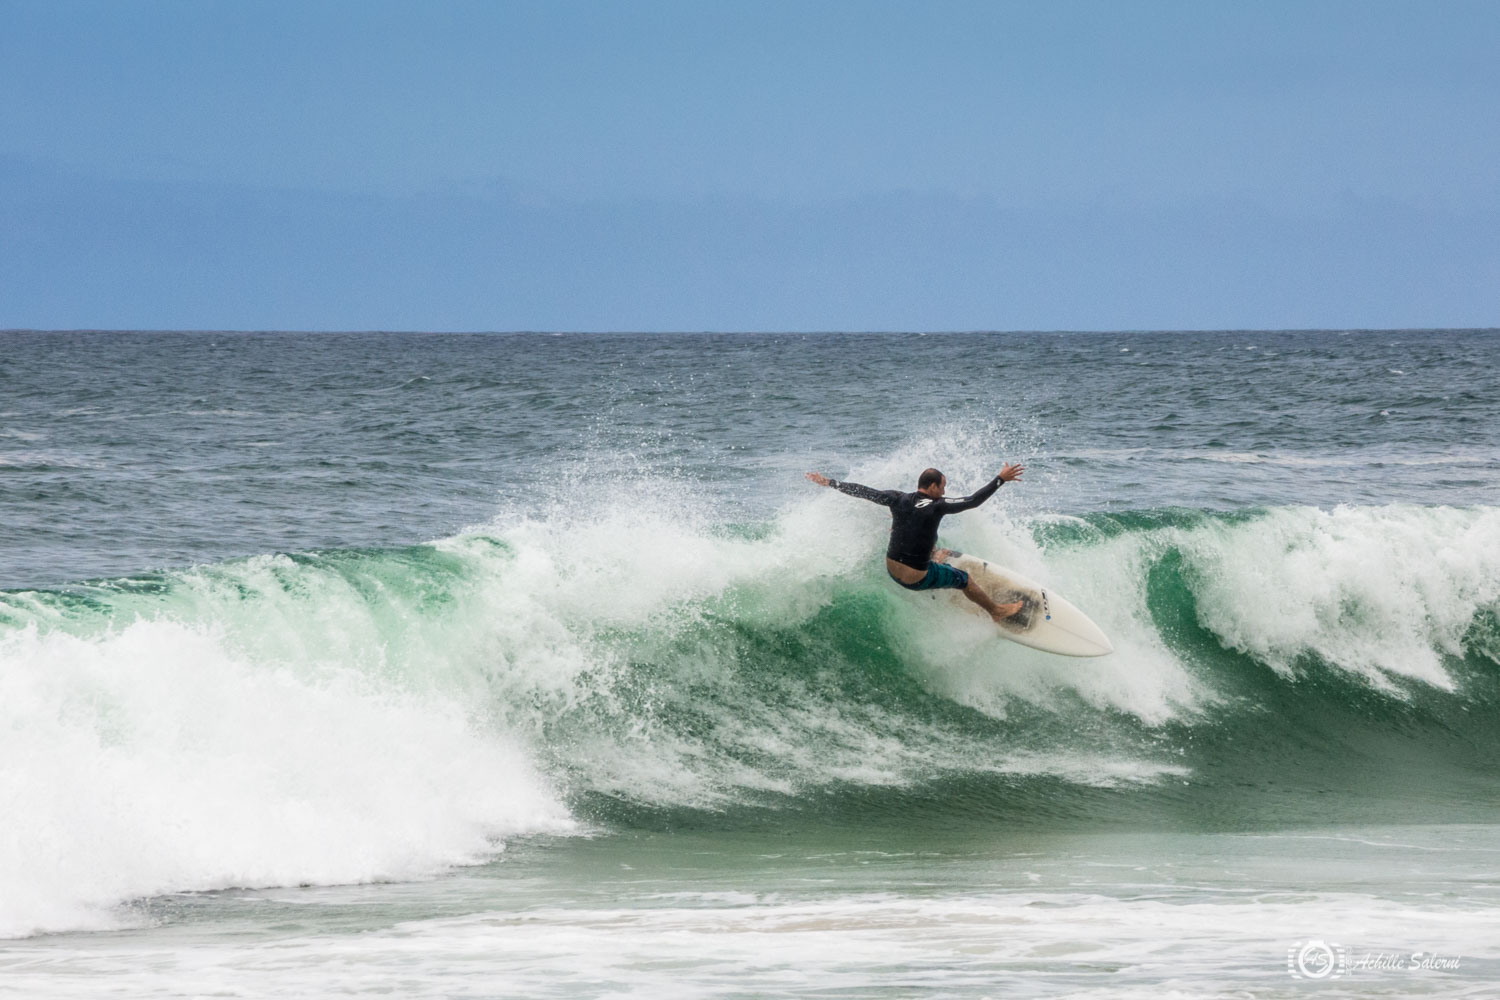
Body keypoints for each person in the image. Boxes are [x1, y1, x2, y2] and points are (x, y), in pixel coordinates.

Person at [805, 464, 1026, 622]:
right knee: (964, 579)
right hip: (916, 579)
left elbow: (864, 491)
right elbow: (973, 501)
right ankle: (996, 611)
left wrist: (830, 482)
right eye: (942, 487)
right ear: (931, 487)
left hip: (892, 569)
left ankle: (934, 557)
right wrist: (1000, 479)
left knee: (913, 527)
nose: (944, 492)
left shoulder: (897, 498)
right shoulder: (938, 505)